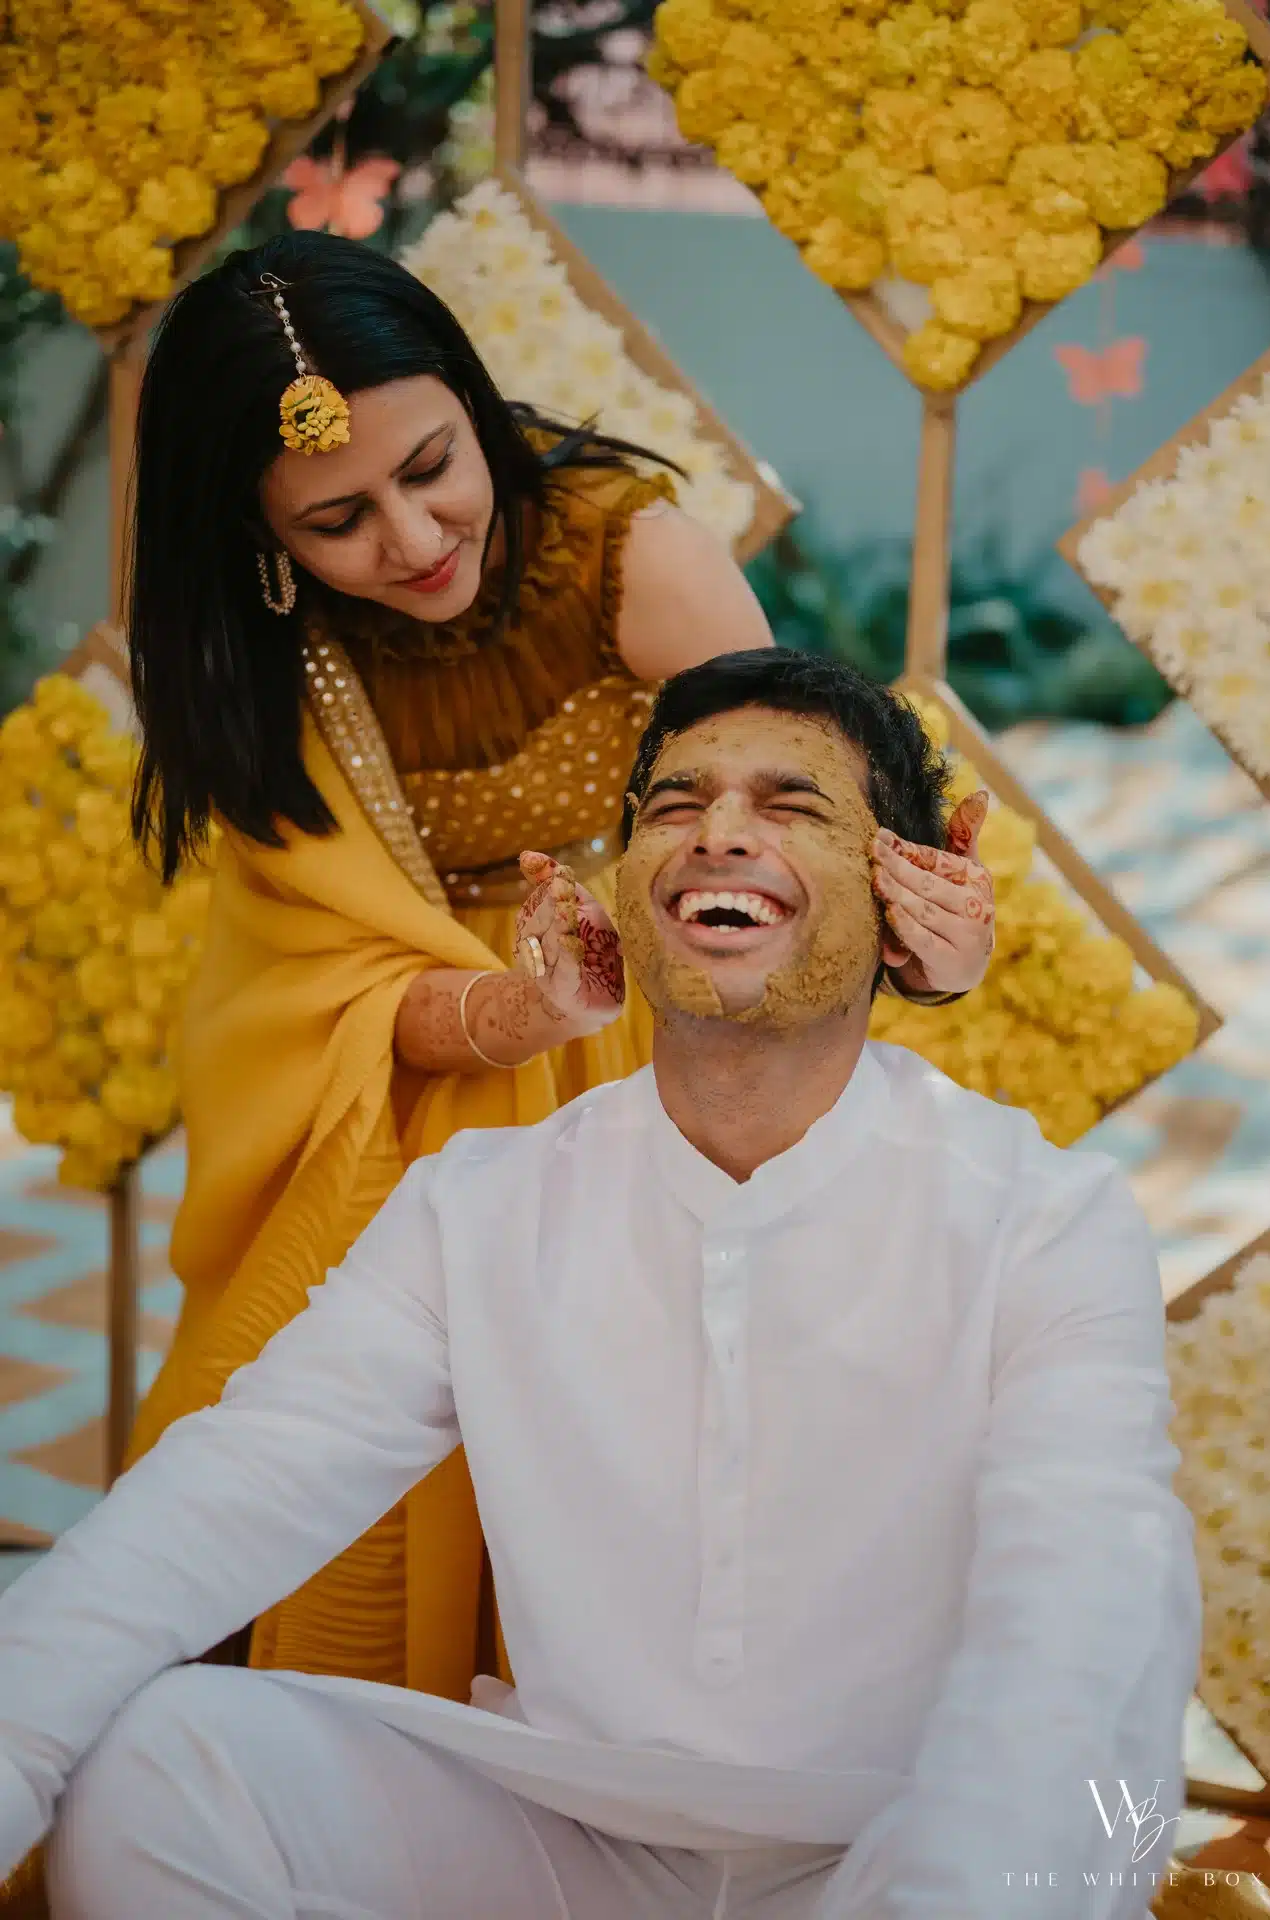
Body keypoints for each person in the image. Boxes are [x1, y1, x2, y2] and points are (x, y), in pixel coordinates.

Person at [0, 651, 1196, 1919]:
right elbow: (223, 1494)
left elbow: (1082, 1608)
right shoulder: (483, 1206)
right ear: (621, 889)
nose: (716, 834)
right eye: (674, 807)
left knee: (1054, 1801)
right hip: (564, 1834)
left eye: (791, 806)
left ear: (902, 894)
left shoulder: (1040, 1218)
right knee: (165, 1759)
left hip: (894, 1845)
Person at [119, 229, 998, 1696]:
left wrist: (935, 950)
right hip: (420, 1096)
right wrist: (522, 1007)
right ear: (259, 537)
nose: (412, 537)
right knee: (292, 1441)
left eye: (432, 467)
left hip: (674, 1058)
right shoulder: (270, 653)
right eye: (336, 518)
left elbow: (804, 852)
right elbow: (309, 998)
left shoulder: (625, 557)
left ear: (472, 403)